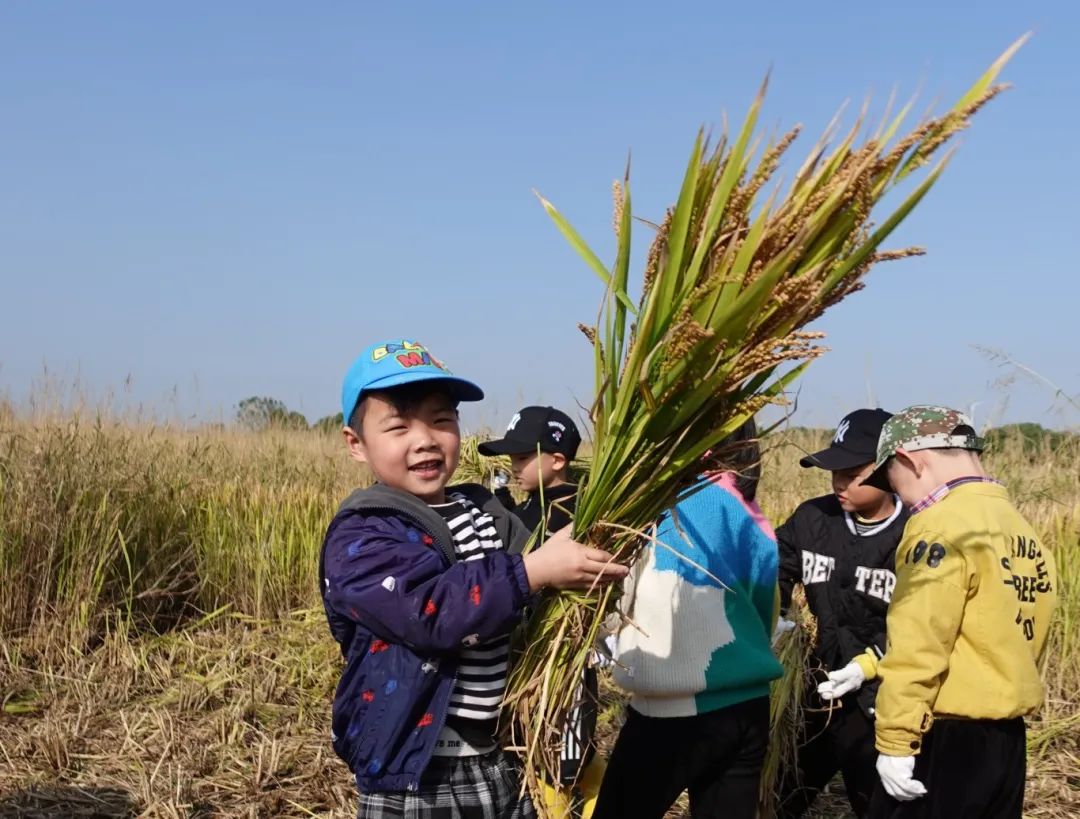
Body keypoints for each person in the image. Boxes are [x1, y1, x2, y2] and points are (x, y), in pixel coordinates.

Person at [319, 339, 628, 818]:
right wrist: (534, 570)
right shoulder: (363, 533)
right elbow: (429, 611)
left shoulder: (482, 509)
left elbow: (537, 577)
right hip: (417, 774)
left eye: (441, 420)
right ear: (356, 444)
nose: (425, 439)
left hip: (500, 757)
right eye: (398, 426)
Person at [860, 406, 1058, 818]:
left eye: (895, 483)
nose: (901, 498)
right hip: (1006, 744)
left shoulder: (939, 526)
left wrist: (896, 741)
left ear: (911, 461)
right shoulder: (1019, 527)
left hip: (945, 740)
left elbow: (918, 641)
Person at [592, 419, 783, 819]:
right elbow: (765, 608)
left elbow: (625, 592)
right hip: (748, 707)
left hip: (676, 710)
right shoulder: (747, 506)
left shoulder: (664, 502)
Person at [775, 409, 908, 818]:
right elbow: (775, 565)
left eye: (852, 473)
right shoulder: (814, 518)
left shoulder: (918, 532)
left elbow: (929, 622)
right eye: (834, 471)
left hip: (881, 701)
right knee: (777, 798)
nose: (838, 483)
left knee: (879, 804)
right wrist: (775, 614)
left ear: (889, 468)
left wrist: (872, 665)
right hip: (818, 689)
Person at [480, 406, 604, 818]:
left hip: (561, 662)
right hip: (521, 658)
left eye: (520, 458)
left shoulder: (580, 515)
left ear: (557, 460)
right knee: (526, 748)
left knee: (563, 760)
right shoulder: (528, 510)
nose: (512, 466)